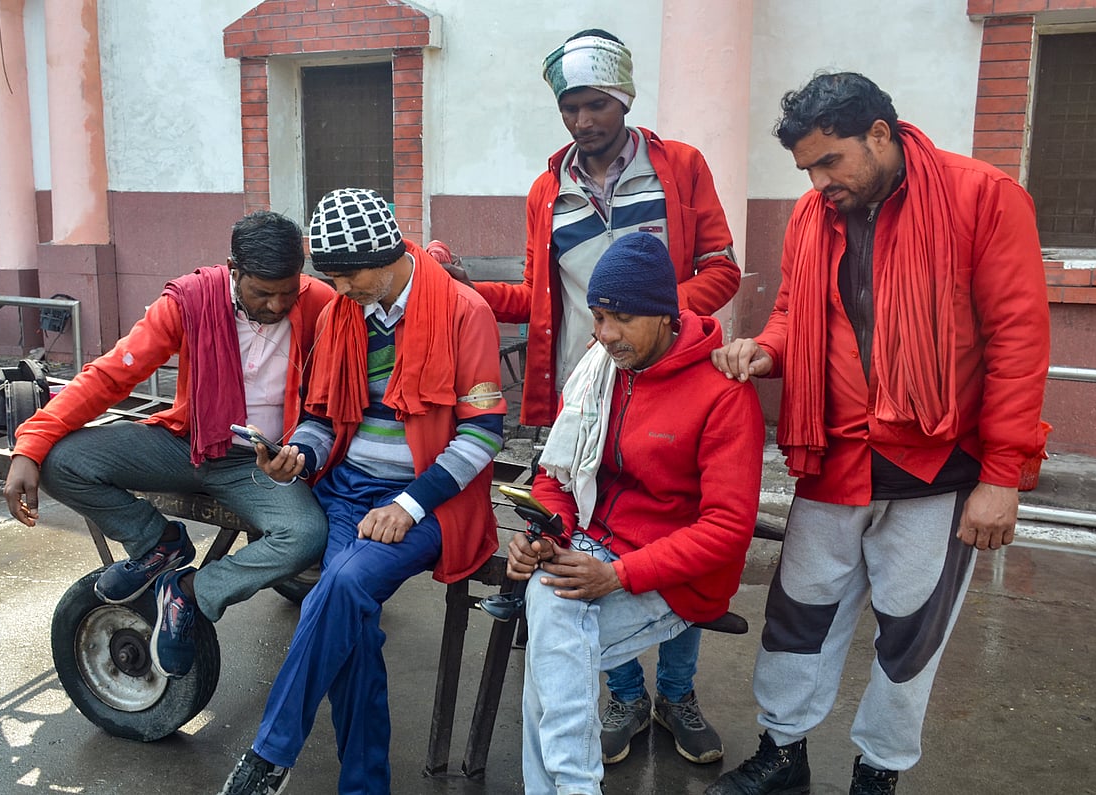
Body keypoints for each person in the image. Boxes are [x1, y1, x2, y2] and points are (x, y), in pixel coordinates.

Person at [705, 72, 1050, 795]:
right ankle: (782, 751)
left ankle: (878, 771)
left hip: (938, 465)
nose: (819, 181)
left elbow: (1019, 340)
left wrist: (1001, 477)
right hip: (832, 456)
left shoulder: (982, 197)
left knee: (910, 631)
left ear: (881, 134)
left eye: (831, 161)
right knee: (797, 616)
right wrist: (765, 350)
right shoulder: (813, 215)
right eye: (806, 169)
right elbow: (798, 315)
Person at [461, 27, 743, 766]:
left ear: (622, 98)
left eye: (594, 104)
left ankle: (676, 690)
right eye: (568, 108)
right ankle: (624, 690)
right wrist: (470, 292)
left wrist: (659, 319)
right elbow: (540, 294)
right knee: (584, 525)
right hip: (586, 387)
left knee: (671, 520)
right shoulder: (546, 189)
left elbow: (721, 266)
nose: (582, 121)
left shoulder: (679, 167)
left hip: (669, 370)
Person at [216, 188, 507, 795]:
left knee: (342, 586)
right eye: (333, 278)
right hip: (347, 489)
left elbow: (483, 437)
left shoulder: (462, 310)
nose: (339, 290)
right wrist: (298, 455)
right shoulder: (341, 315)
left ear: (389, 252)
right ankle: (365, 786)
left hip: (431, 501)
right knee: (351, 624)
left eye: (350, 276)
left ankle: (271, 754)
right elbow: (322, 417)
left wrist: (407, 506)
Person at [3, 210, 334, 679]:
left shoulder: (319, 302)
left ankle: (191, 591)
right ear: (233, 270)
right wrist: (29, 445)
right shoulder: (189, 302)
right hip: (188, 442)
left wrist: (299, 450)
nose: (278, 305)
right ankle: (158, 544)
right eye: (263, 293)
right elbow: (112, 375)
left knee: (306, 535)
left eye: (288, 291)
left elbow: (337, 395)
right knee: (60, 461)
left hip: (260, 464)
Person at [513, 231, 764, 795]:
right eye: (598, 316)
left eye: (621, 318)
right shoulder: (599, 372)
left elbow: (726, 532)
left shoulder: (724, 393)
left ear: (666, 316)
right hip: (597, 547)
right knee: (552, 632)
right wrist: (544, 535)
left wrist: (617, 575)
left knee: (552, 654)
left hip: (676, 578)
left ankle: (569, 787)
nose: (604, 335)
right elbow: (559, 474)